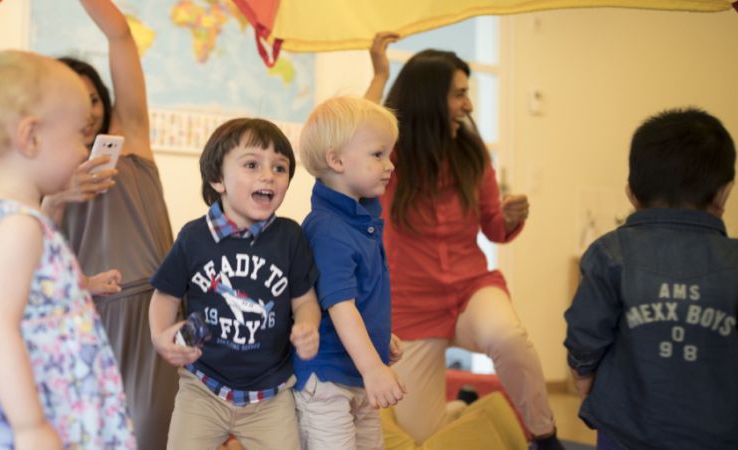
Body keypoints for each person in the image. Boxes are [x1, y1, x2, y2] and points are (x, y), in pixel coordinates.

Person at [0, 50, 135, 449]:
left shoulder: (3, 217)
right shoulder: (17, 227)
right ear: (31, 137)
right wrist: (30, 426)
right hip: (17, 416)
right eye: (78, 136)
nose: (83, 150)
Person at [366, 33, 563, 449]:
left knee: (508, 338)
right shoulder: (389, 159)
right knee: (422, 436)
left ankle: (545, 437)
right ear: (428, 99)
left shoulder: (472, 156)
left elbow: (494, 228)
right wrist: (381, 75)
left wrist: (509, 217)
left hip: (471, 291)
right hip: (413, 307)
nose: (469, 105)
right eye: (459, 94)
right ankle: (466, 408)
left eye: (467, 94)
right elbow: (356, 136)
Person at [40, 2, 179, 446]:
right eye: (71, 103)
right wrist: (58, 196)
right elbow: (34, 259)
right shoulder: (41, 173)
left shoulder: (130, 137)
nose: (86, 112)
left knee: (153, 431)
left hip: (154, 311)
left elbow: (120, 35)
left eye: (93, 100)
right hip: (85, 314)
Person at [565, 108, 738, 450]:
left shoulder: (610, 253)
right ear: (724, 193)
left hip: (624, 431)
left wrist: (584, 378)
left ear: (631, 193)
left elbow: (585, 333)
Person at [149, 118, 321, 450]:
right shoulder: (193, 237)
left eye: (280, 168)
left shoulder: (290, 237)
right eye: (252, 165)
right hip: (203, 388)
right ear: (218, 178)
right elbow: (165, 295)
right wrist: (160, 336)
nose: (268, 175)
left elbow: (305, 301)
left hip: (270, 396)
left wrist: (308, 325)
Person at [293, 96, 405, 449]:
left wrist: (378, 336)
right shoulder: (328, 229)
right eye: (378, 154)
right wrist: (373, 368)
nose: (389, 165)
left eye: (388, 154)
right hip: (328, 381)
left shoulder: (358, 220)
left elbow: (358, 296)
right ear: (337, 160)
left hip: (355, 374)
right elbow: (340, 307)